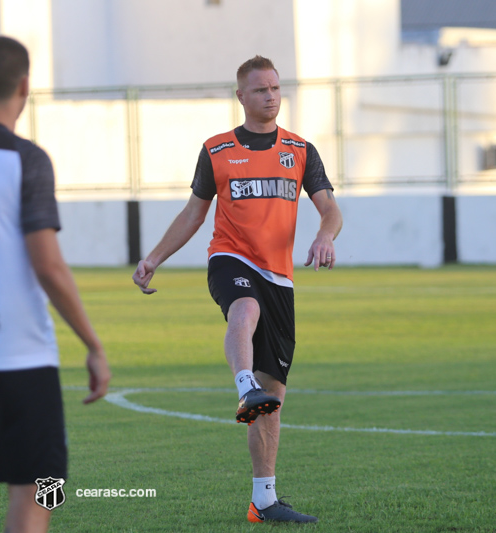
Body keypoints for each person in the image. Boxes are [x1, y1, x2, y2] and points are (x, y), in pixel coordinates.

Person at [132, 55, 342, 524]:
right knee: (242, 310)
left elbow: (330, 209)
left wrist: (325, 234)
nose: (271, 95)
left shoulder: (300, 150)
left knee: (273, 400)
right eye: (261, 89)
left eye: (275, 87)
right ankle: (242, 384)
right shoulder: (217, 150)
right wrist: (152, 259)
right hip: (231, 259)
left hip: (280, 280)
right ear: (241, 96)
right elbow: (193, 215)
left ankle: (263, 501)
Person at [0, 36, 112, 533]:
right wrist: (92, 343)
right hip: (20, 358)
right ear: (25, 84)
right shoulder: (26, 160)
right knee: (44, 487)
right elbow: (48, 265)